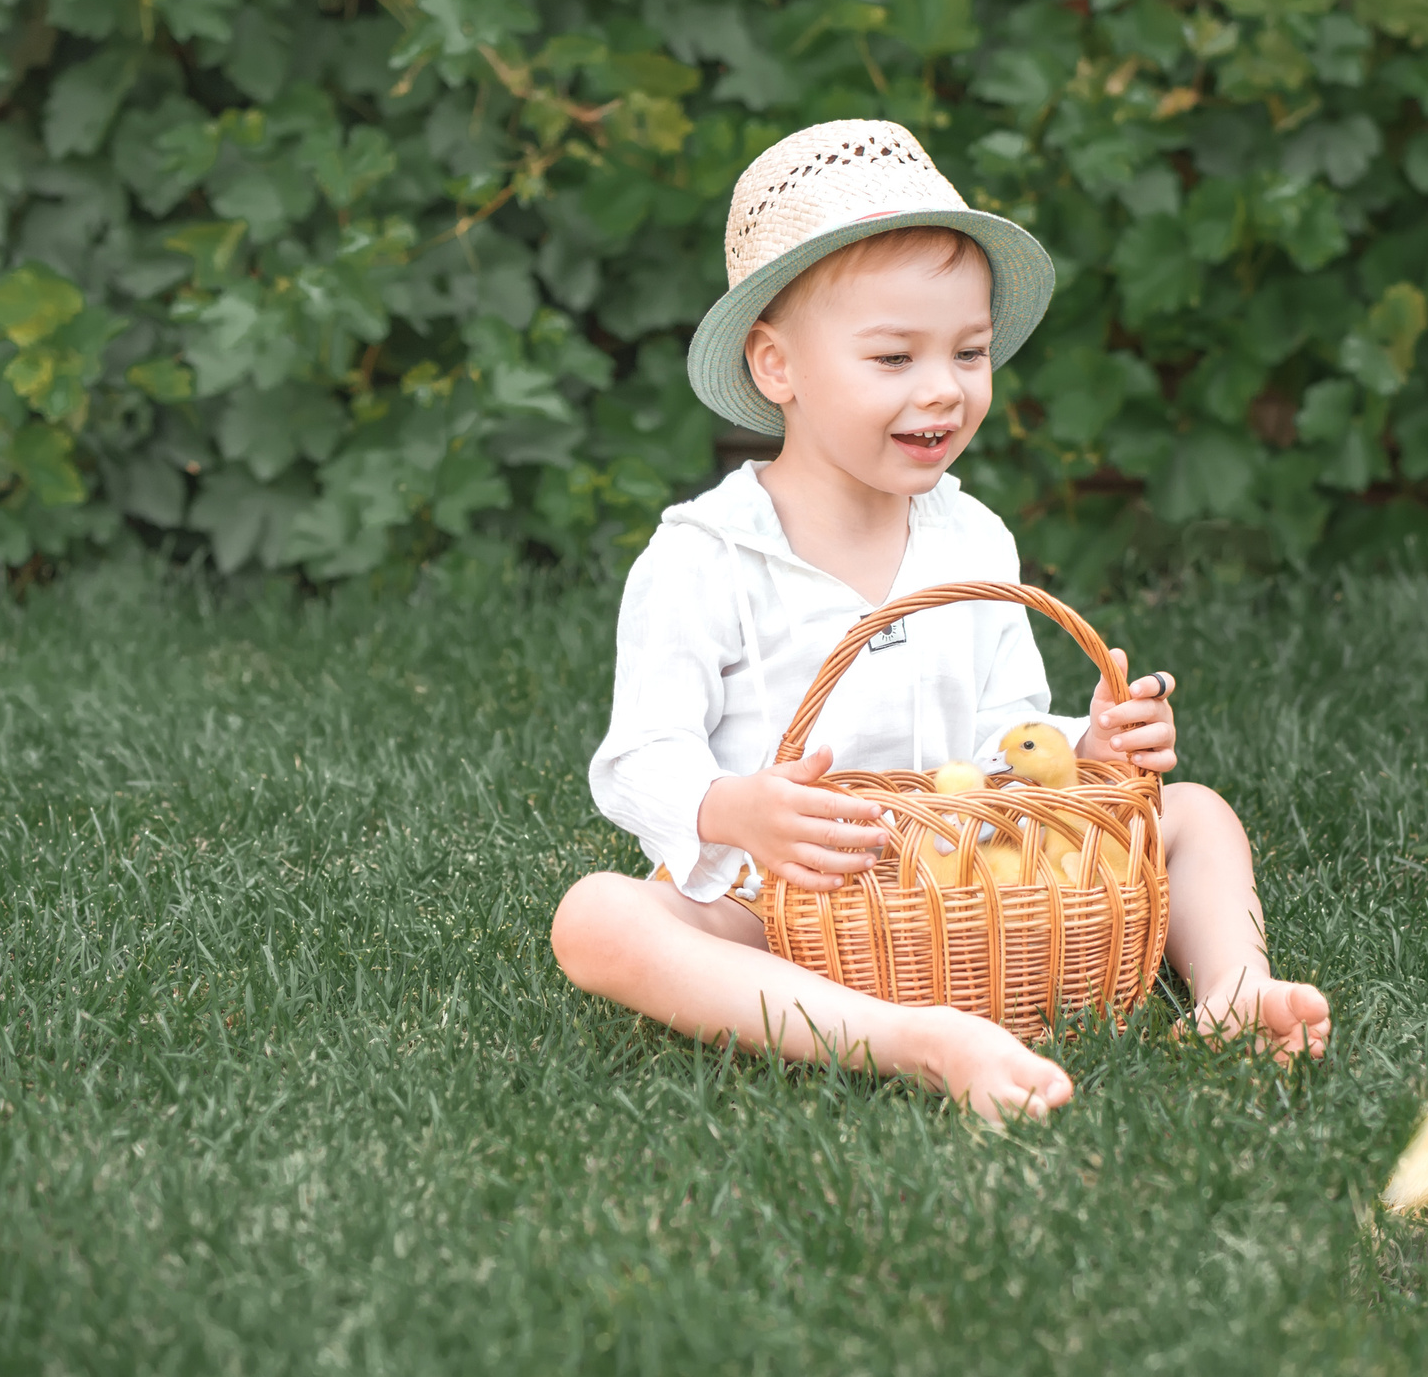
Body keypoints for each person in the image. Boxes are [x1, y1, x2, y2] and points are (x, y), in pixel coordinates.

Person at [548, 120, 1330, 1124]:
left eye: (969, 351)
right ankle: (906, 1038)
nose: (943, 389)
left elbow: (1006, 737)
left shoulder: (971, 538)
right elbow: (638, 757)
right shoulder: (708, 555)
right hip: (780, 896)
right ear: (776, 367)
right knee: (599, 920)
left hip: (965, 882)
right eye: (892, 356)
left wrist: (1086, 750)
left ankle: (1233, 991)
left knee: (1194, 815)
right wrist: (734, 810)